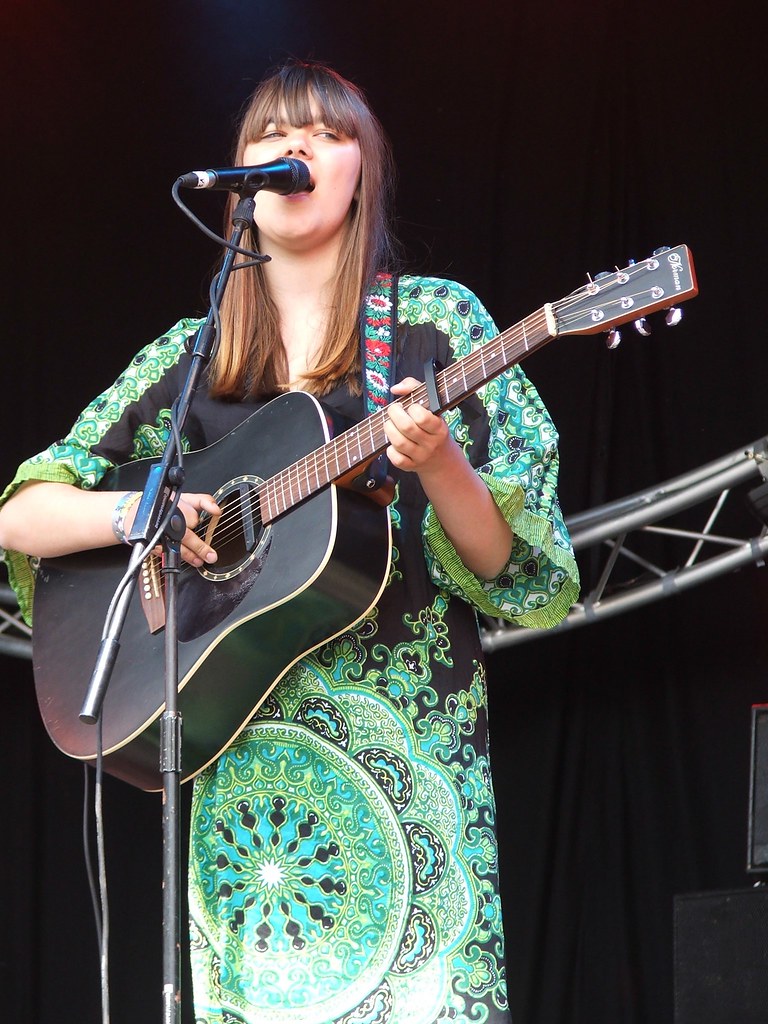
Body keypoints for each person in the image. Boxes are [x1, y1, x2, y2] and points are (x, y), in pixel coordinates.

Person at [0, 61, 579, 1024]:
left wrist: (438, 465)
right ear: (239, 180)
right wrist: (138, 515)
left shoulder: (435, 325)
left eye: (324, 134)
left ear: (365, 173)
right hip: (248, 787)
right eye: (270, 136)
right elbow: (22, 512)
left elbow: (510, 567)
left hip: (410, 775)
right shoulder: (189, 361)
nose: (293, 150)